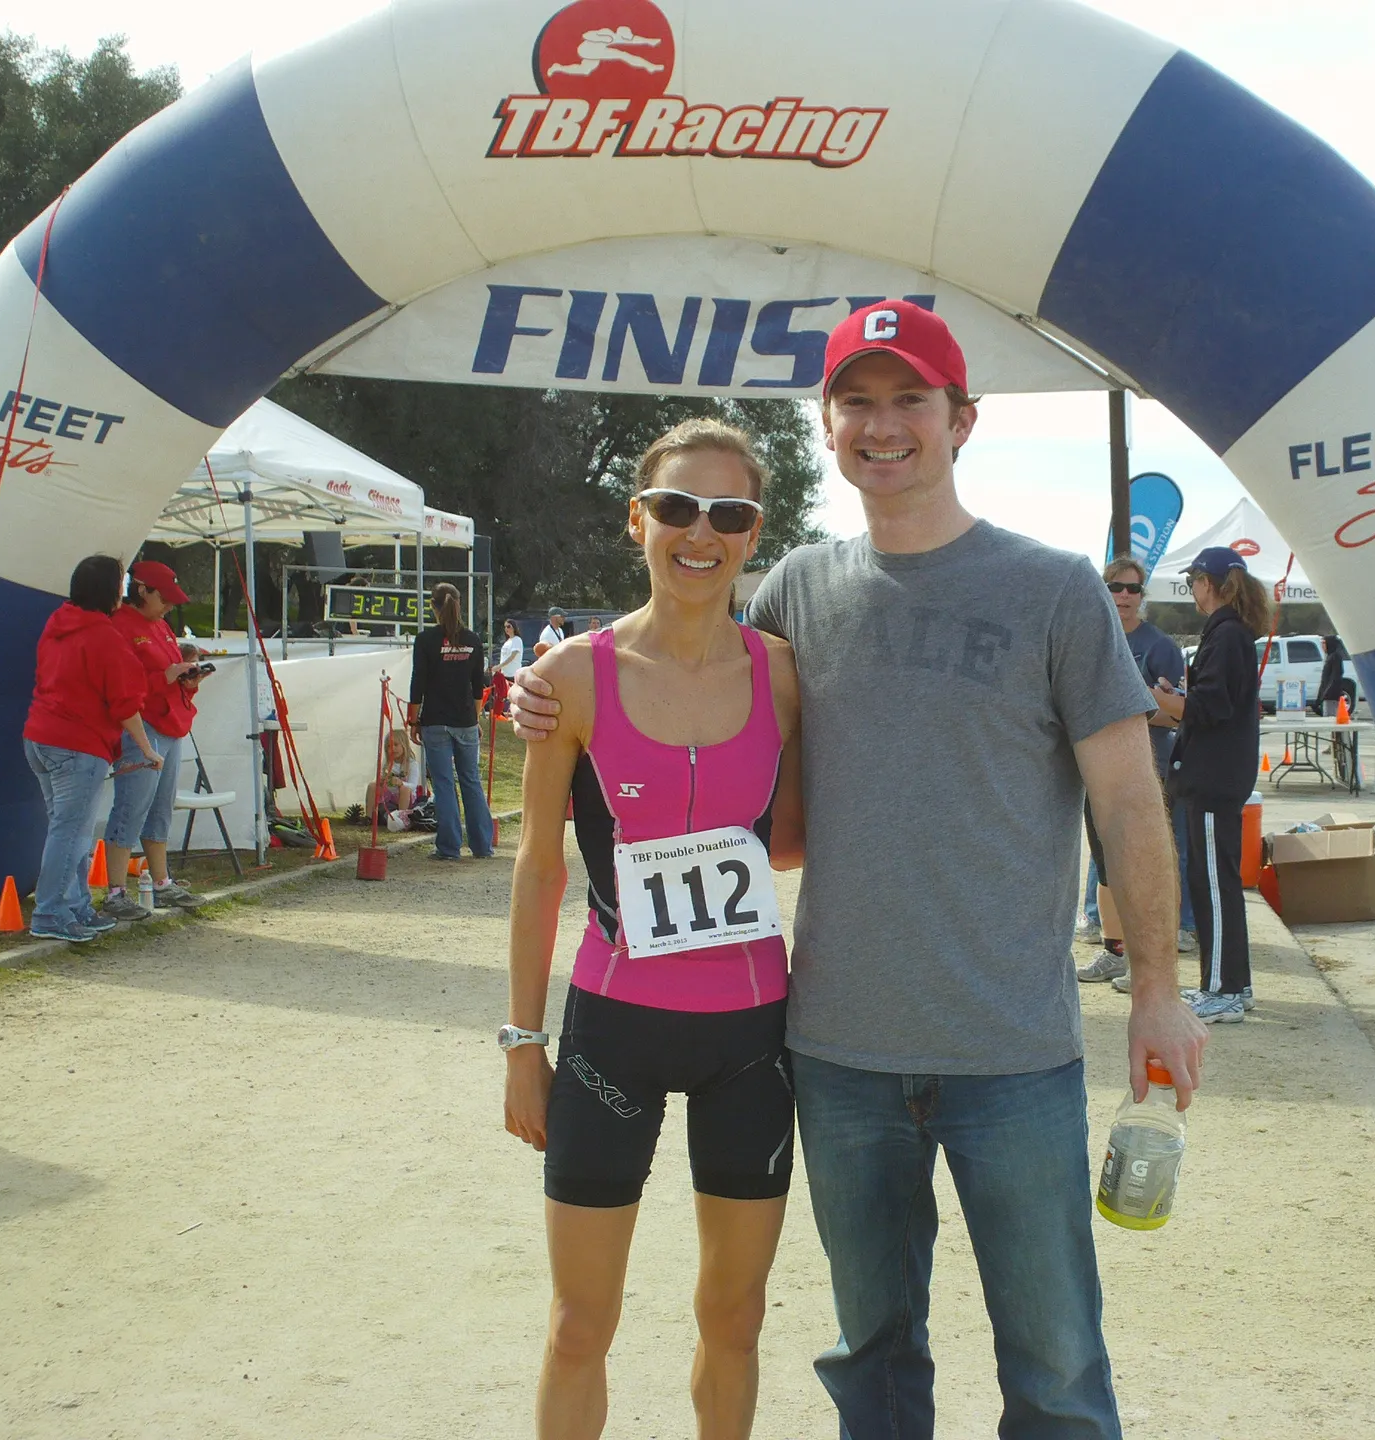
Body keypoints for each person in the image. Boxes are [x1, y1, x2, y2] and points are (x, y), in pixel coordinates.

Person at [513, 302, 1207, 1438]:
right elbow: (685, 655)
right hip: (836, 1055)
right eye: (857, 404)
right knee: (871, 1363)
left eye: (910, 401)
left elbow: (1129, 799)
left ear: (962, 420)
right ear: (828, 428)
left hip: (1012, 1054)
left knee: (1058, 1367)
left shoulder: (1054, 589)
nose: (884, 427)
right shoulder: (796, 592)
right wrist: (549, 687)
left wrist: (1159, 992)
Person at [503, 418, 804, 1437]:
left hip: (752, 1038)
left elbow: (798, 839)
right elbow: (539, 864)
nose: (700, 532)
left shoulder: (783, 675)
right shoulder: (574, 677)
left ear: (753, 534)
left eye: (729, 513)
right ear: (639, 520)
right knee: (580, 1322)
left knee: (736, 1313)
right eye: (677, 507)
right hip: (612, 1032)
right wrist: (518, 1043)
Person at [23, 555, 163, 942]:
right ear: (111, 593)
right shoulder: (104, 637)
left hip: (40, 736)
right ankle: (50, 913)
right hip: (76, 745)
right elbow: (125, 704)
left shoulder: (58, 622)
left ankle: (76, 907)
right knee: (71, 833)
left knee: (70, 830)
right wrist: (147, 749)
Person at [1077, 555, 1193, 989]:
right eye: (1115, 587)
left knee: (1146, 859)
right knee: (1105, 861)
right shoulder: (1089, 638)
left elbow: (1180, 714)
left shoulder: (1160, 645)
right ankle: (1113, 949)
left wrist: (1134, 705)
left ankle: (1160, 950)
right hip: (1092, 769)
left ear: (1143, 597)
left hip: (1149, 769)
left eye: (1133, 589)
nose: (1124, 596)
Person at [1165, 546, 1266, 1022]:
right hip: (1219, 776)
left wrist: (1156, 699)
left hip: (1213, 778)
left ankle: (1222, 989)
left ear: (1209, 582)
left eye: (1194, 581)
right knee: (1217, 882)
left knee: (1212, 885)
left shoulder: (1226, 635)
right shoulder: (1232, 634)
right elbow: (1212, 703)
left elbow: (1209, 708)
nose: (1193, 590)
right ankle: (1234, 983)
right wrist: (1175, 699)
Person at [99, 561, 208, 921]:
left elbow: (164, 674)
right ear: (141, 590)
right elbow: (120, 684)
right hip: (141, 726)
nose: (169, 606)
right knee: (132, 804)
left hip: (170, 724)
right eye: (164, 597)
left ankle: (161, 882)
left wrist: (186, 681)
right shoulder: (119, 626)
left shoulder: (159, 626)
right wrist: (165, 676)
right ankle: (115, 889)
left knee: (160, 806)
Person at [408, 583, 494, 859]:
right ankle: (482, 845)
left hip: (435, 721)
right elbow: (478, 685)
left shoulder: (426, 640)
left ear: (433, 607)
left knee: (444, 783)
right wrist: (475, 716)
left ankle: (448, 847)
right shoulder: (473, 639)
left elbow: (417, 683)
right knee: (471, 780)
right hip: (466, 720)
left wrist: (413, 720)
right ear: (459, 604)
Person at [365, 727, 421, 830]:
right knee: (373, 785)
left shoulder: (412, 764)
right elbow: (383, 780)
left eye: (396, 745)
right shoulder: (387, 764)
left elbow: (413, 786)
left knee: (404, 789)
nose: (392, 749)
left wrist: (401, 783)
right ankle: (369, 817)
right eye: (389, 746)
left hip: (405, 798)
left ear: (404, 745)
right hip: (389, 796)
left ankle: (401, 818)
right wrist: (382, 780)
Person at [492, 618, 525, 714]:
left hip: (513, 673)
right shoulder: (508, 641)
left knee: (513, 695)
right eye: (505, 627)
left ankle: (515, 713)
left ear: (514, 628)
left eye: (509, 626)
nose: (506, 629)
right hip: (505, 673)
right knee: (503, 695)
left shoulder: (517, 640)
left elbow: (512, 656)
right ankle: (502, 712)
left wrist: (499, 666)